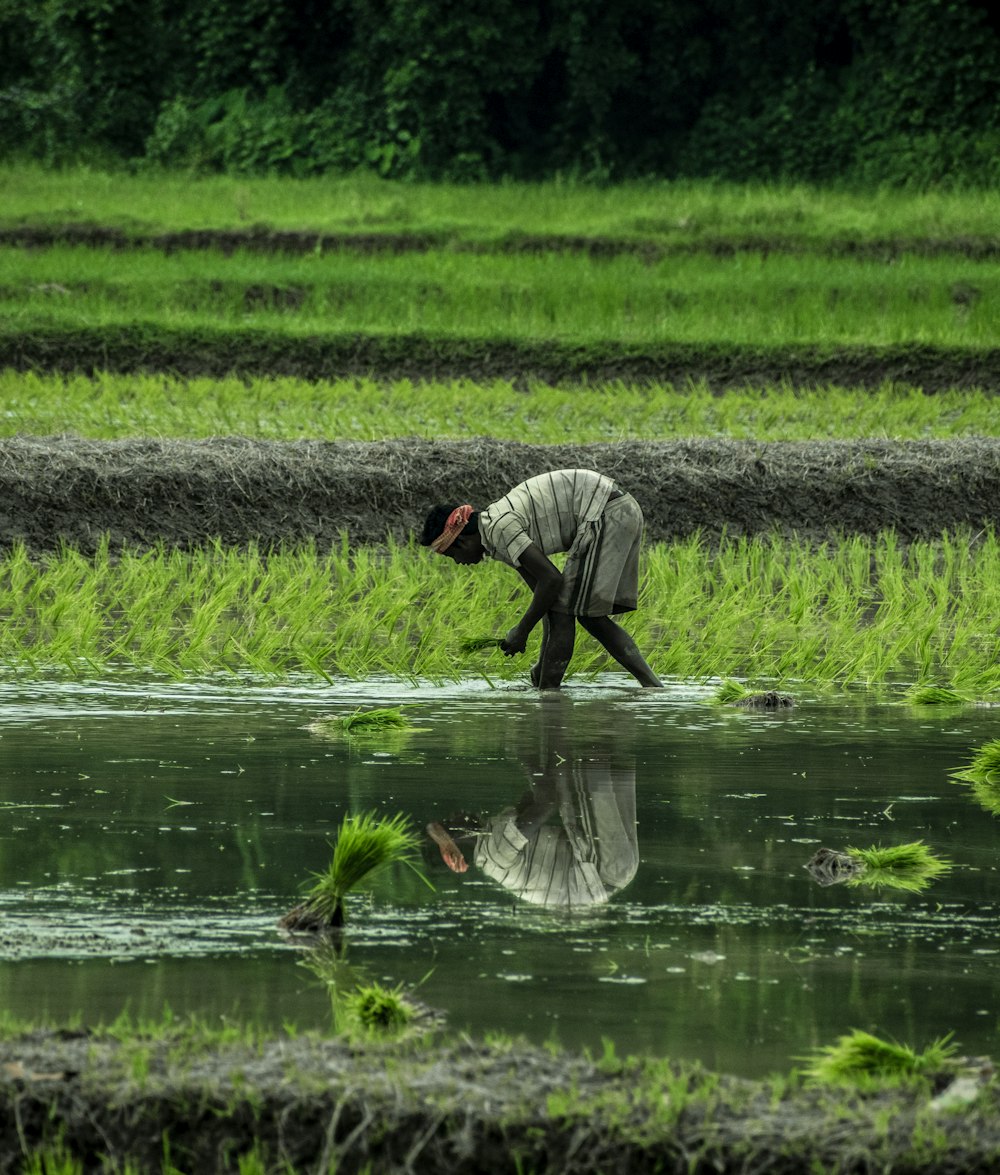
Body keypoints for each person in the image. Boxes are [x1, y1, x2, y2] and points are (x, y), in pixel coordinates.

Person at [419, 468, 662, 688]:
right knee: (581, 614)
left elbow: (552, 580)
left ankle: (554, 697)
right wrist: (541, 665)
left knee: (587, 617)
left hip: (606, 513)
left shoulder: (499, 528)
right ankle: (649, 686)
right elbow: (550, 604)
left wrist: (521, 631)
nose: (458, 563)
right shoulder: (496, 537)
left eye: (452, 555)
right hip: (614, 510)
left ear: (462, 540)